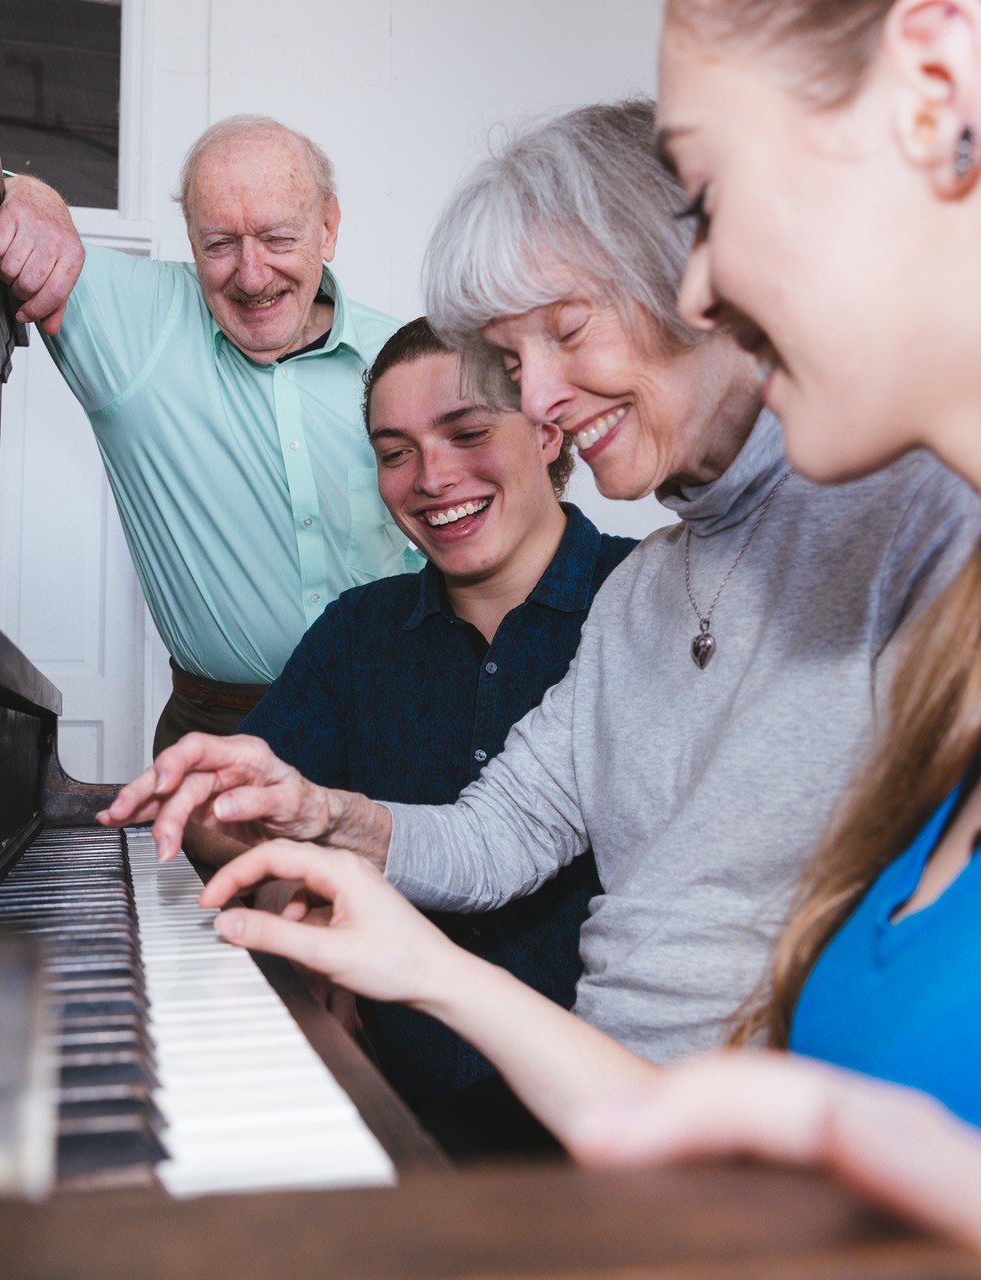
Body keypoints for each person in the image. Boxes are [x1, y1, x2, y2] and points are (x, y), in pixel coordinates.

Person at [149, 3, 981, 1275]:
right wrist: (366, 871)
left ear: (943, 96)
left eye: (705, 201)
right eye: (508, 357)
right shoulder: (677, 590)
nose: (702, 281)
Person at [102, 99, 981, 1066]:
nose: (540, 397)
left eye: (566, 333)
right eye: (517, 361)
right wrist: (323, 813)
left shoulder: (925, 508)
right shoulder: (643, 593)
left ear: (700, 279)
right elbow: (507, 830)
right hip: (609, 1113)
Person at [238, 316, 635, 1157]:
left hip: (612, 1116)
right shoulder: (359, 629)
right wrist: (301, 916)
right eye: (395, 452)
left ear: (548, 428)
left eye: (467, 432)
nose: (432, 477)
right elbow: (241, 805)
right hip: (397, 1106)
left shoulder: (645, 599)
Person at [0, 117, 415, 753]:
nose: (250, 274)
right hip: (223, 735)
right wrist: (32, 195)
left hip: (399, 721)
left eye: (276, 237)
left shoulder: (409, 360)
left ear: (327, 227)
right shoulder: (141, 321)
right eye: (219, 244)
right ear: (189, 239)